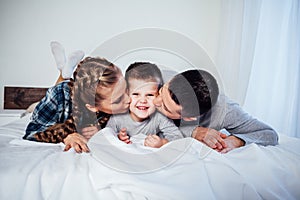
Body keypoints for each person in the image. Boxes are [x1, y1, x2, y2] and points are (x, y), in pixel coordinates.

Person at [23, 54, 130, 153]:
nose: (129, 99)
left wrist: (100, 132)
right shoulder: (59, 95)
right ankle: (62, 73)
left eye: (127, 89)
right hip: (57, 103)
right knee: (32, 109)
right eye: (118, 100)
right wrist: (65, 136)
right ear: (93, 107)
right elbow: (31, 133)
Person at [153, 69, 278, 153]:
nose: (155, 101)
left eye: (165, 107)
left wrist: (236, 141)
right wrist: (193, 131)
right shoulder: (156, 78)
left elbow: (269, 134)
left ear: (189, 117)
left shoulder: (226, 112)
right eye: (160, 92)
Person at [106, 62, 184, 148]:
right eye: (136, 94)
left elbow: (178, 138)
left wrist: (162, 143)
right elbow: (106, 136)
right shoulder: (118, 117)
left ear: (158, 95)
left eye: (150, 95)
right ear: (126, 93)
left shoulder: (159, 117)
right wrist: (118, 138)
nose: (143, 100)